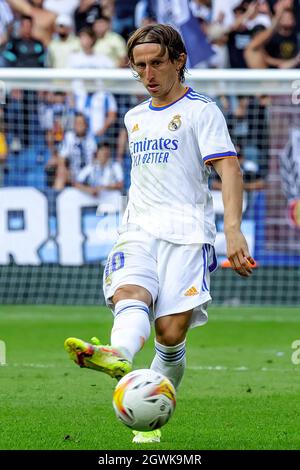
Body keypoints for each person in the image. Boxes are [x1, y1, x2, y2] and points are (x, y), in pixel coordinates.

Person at [64, 23, 254, 444]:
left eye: (156, 63)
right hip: (138, 228)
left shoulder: (202, 111)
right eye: (140, 66)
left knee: (170, 335)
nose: (148, 74)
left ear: (179, 61)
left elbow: (229, 170)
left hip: (188, 235)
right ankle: (118, 355)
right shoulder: (133, 117)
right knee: (130, 294)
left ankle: (153, 414)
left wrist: (233, 231)